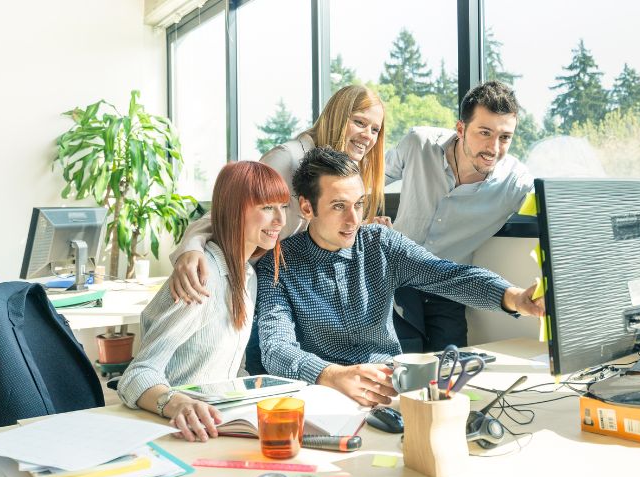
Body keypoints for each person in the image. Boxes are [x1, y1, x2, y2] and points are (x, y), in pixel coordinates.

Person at [256, 147, 544, 405]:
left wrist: (514, 297)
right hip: (325, 397)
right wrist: (331, 374)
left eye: (358, 204)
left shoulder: (381, 243)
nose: (354, 220)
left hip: (392, 390)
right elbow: (275, 347)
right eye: (338, 206)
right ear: (307, 207)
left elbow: (449, 275)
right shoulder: (278, 263)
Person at [167, 85, 389, 375]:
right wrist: (191, 249)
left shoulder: (344, 168)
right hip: (245, 284)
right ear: (336, 117)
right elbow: (226, 212)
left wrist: (359, 224)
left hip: (287, 287)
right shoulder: (288, 159)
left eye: (375, 129)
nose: (367, 136)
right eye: (359, 122)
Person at [117, 161, 289, 442]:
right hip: (175, 430)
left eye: (283, 206)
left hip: (216, 426)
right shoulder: (202, 277)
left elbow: (229, 368)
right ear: (234, 211)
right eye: (267, 207)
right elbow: (137, 374)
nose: (280, 220)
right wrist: (178, 403)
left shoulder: (247, 275)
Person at [386, 80, 534, 353]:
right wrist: (366, 214)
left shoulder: (516, 182)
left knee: (453, 371)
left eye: (505, 137)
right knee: (401, 365)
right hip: (397, 281)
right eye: (484, 133)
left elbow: (553, 213)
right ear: (461, 129)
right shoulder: (418, 143)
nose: (494, 147)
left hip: (450, 288)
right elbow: (368, 179)